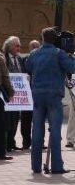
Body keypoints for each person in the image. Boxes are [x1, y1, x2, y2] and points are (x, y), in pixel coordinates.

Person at [26, 27, 75, 174]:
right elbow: (72, 68)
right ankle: (57, 166)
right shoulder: (59, 53)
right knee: (54, 130)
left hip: (38, 95)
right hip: (54, 95)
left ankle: (35, 166)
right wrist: (70, 55)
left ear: (42, 37)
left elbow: (28, 66)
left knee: (37, 130)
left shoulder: (34, 53)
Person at [3, 36, 24, 151]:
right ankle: (5, 143)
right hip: (7, 94)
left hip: (19, 95)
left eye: (19, 45)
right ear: (10, 47)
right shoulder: (3, 58)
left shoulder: (20, 59)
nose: (19, 48)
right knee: (7, 119)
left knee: (16, 119)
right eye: (17, 45)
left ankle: (12, 142)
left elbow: (23, 73)